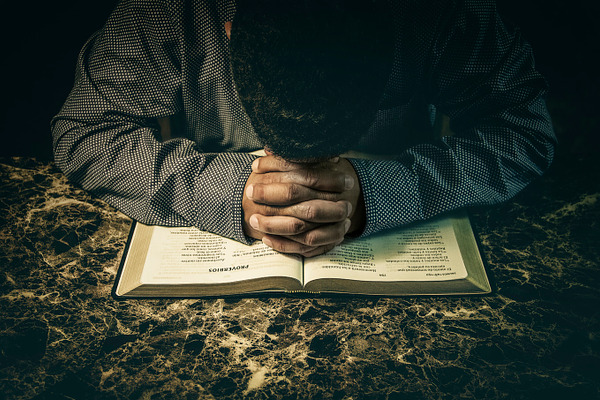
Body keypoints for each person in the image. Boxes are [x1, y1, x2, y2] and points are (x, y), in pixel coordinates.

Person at [51, 0, 556, 257]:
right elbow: (83, 129)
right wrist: (228, 194)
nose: (302, 173)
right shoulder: (165, 11)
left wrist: (379, 194)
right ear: (229, 34)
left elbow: (525, 128)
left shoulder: (441, 11)